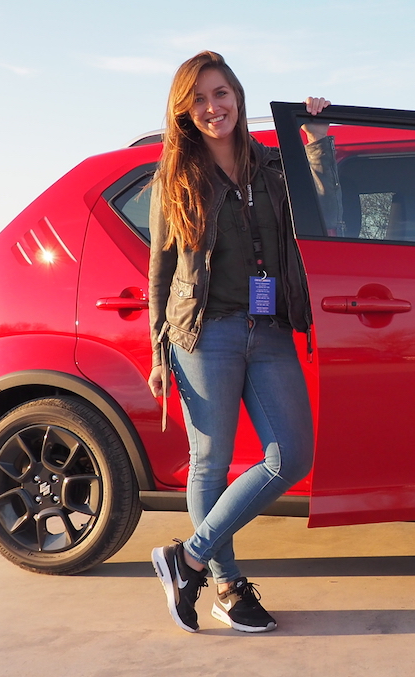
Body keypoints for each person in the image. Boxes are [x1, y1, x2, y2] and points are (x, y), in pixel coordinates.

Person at [146, 50, 334, 634]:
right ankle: (225, 588)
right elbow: (160, 267)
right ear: (185, 111)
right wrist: (158, 352)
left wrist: (318, 138)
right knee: (212, 463)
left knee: (292, 456)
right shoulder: (175, 179)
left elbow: (322, 206)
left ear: (237, 96)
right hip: (205, 333)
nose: (212, 107)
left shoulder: (272, 166)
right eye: (198, 98)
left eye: (220, 93)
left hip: (269, 327)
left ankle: (189, 558)